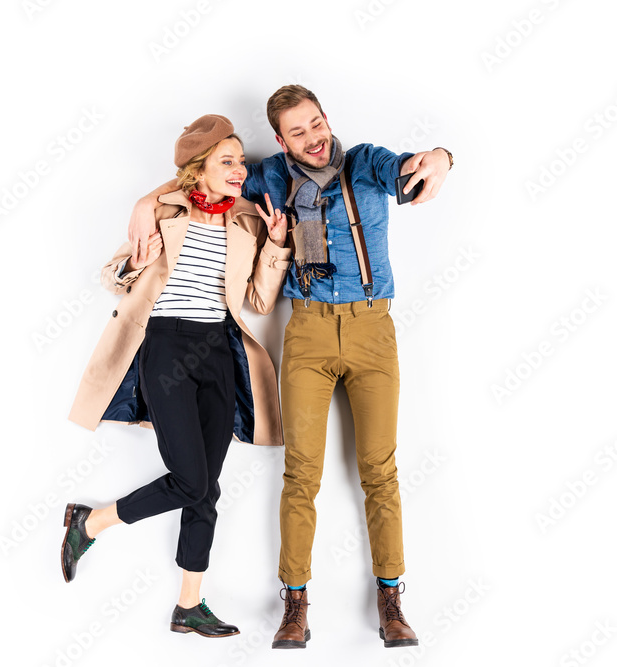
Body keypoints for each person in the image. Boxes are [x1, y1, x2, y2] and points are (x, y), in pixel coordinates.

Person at [128, 86, 453, 649]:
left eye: (317, 123)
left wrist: (444, 157)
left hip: (374, 330)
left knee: (380, 469)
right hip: (305, 332)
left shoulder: (367, 161)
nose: (314, 137)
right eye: (298, 131)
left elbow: (411, 169)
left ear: (327, 118)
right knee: (302, 473)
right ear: (280, 141)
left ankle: (391, 599)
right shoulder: (270, 175)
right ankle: (295, 605)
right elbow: (205, 177)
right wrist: (143, 202)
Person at [63, 114, 293, 638]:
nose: (239, 170)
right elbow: (112, 277)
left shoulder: (249, 221)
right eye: (226, 162)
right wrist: (134, 264)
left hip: (216, 351)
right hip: (165, 346)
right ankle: (90, 523)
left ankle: (190, 603)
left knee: (205, 488)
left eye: (240, 161)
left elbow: (258, 299)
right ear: (199, 170)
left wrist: (276, 246)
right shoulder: (164, 210)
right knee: (191, 480)